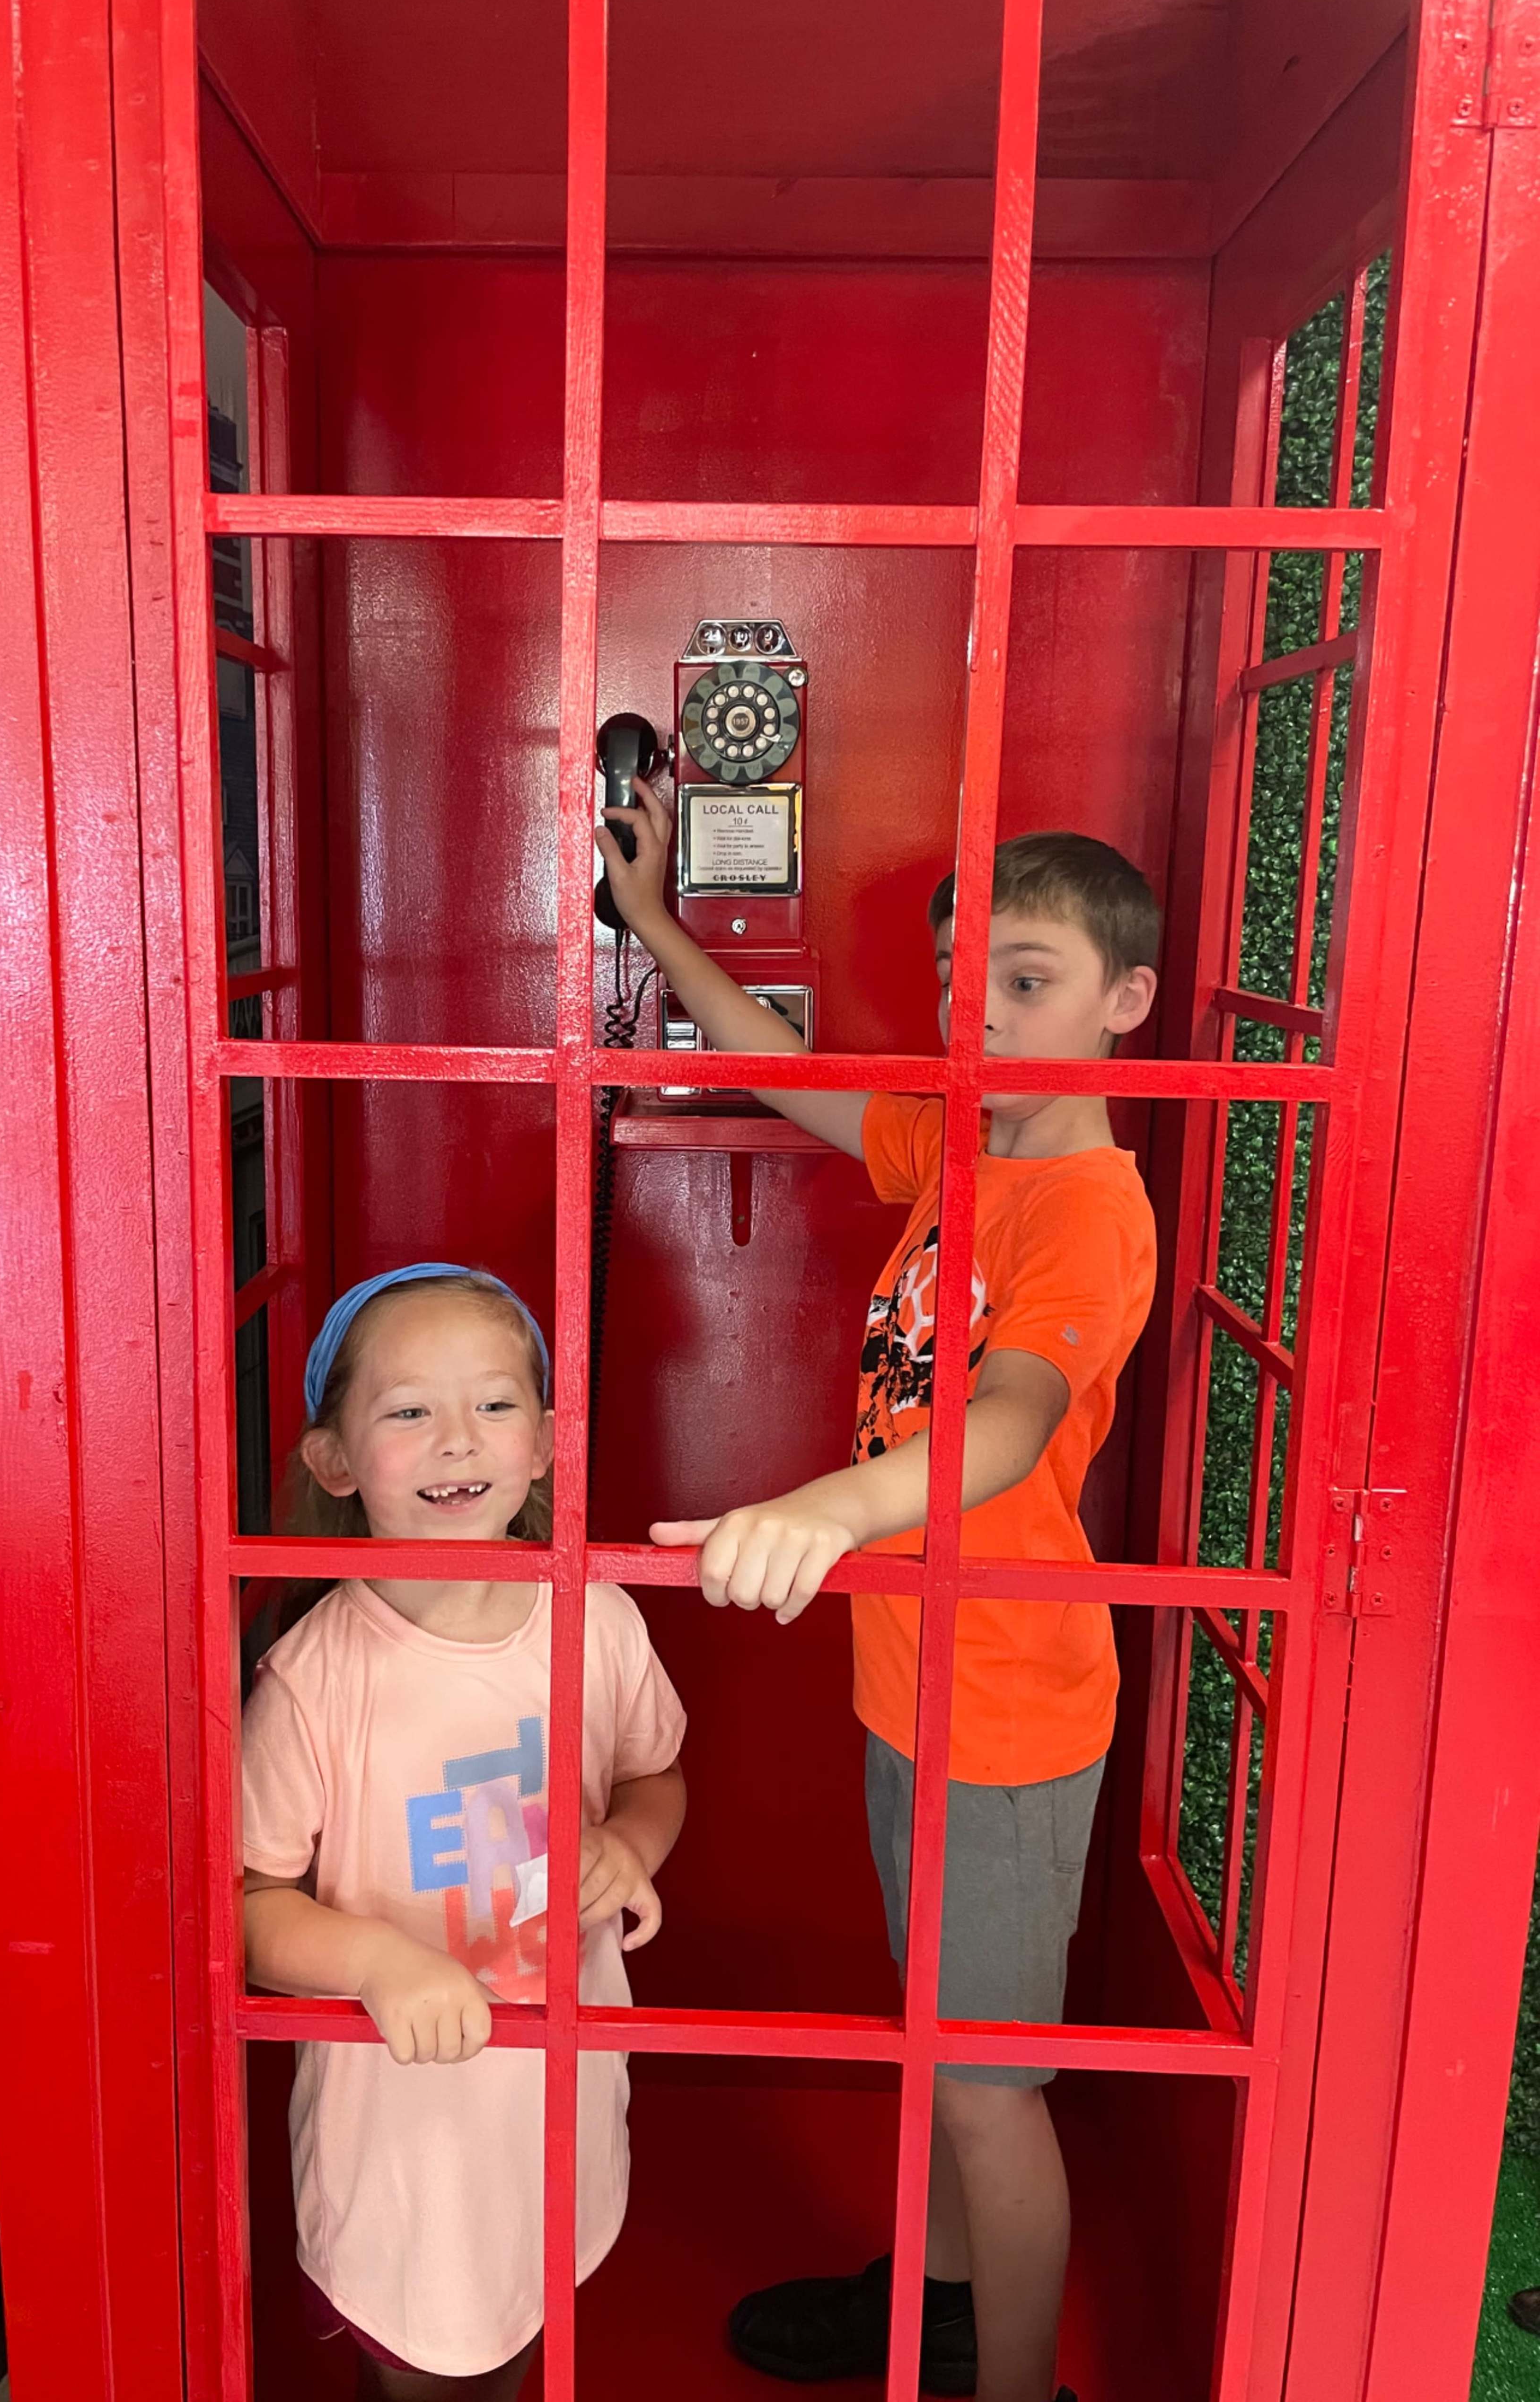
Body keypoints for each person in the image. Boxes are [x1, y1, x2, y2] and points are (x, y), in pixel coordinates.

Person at [596, 808, 1159, 2402]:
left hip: (1005, 1699)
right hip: (910, 1674)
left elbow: (1013, 1421)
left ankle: (1014, 2381)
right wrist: (649, 919)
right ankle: (938, 2302)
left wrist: (824, 1508)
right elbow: (781, 1069)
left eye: (1027, 978)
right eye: (956, 977)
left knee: (989, 2092)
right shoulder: (960, 1142)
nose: (976, 1010)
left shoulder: (1089, 1215)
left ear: (1125, 1000)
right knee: (940, 2054)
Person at [240, 1264, 687, 2400]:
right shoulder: (310, 1678)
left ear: (543, 1442)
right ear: (336, 1463)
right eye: (408, 1411)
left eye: (493, 1405)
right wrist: (381, 1962)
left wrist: (631, 1846)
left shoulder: (600, 1618)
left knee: (533, 2316)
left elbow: (656, 1774)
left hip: (559, 2089)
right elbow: (250, 1907)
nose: (457, 1440)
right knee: (426, 2365)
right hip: (404, 2126)